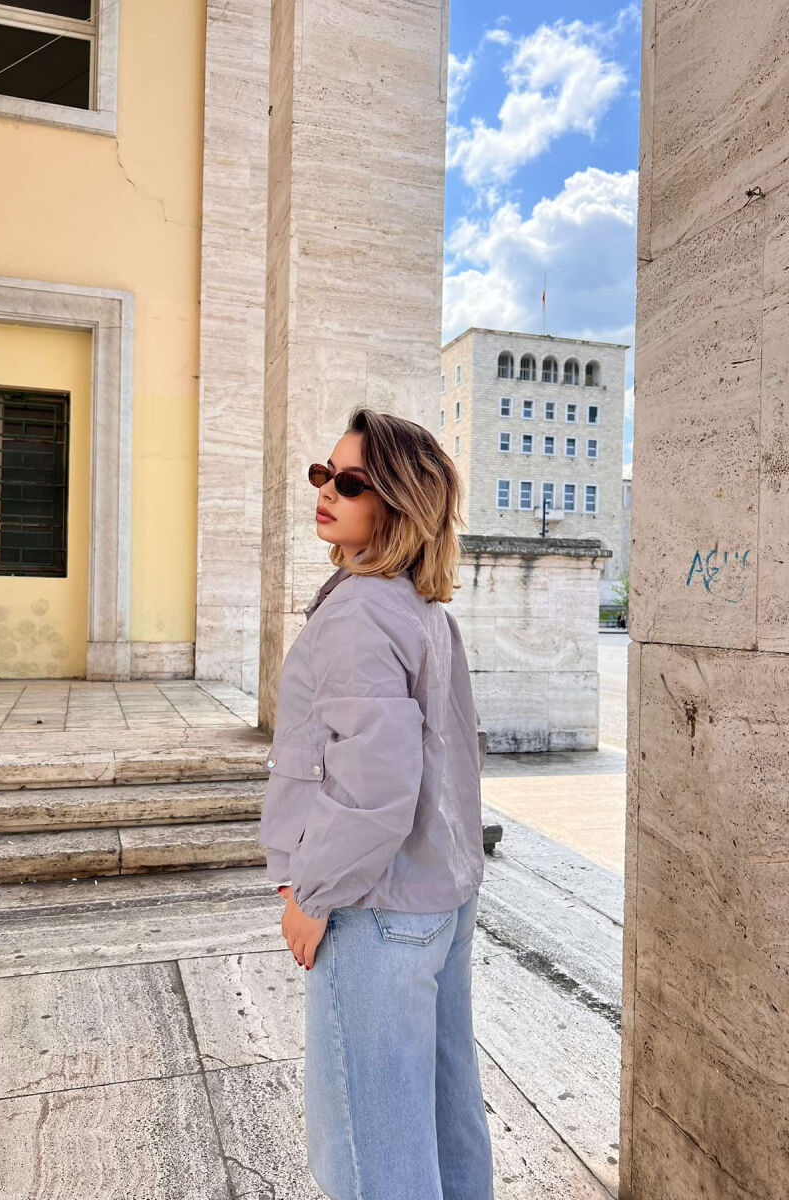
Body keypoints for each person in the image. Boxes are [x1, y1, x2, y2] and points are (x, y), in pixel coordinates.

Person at [260, 406, 495, 1200]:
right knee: (442, 1110)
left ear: (397, 501)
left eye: (352, 482)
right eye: (324, 474)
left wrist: (314, 894)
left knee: (374, 1148)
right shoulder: (419, 607)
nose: (326, 490)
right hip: (439, 893)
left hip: (375, 904)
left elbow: (374, 781)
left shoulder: (361, 610)